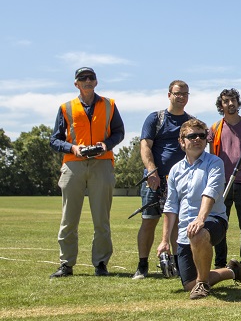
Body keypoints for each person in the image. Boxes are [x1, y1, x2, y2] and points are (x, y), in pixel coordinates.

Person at [157, 119, 241, 300]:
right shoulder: (175, 170)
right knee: (188, 285)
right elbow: (171, 207)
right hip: (186, 231)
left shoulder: (215, 163)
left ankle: (203, 285)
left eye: (202, 136)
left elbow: (211, 192)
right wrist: (164, 241)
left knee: (198, 234)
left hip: (213, 221)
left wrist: (201, 219)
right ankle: (232, 271)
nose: (197, 139)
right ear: (182, 141)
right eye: (192, 136)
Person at [49, 67, 125, 278]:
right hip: (74, 163)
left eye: (91, 77)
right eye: (83, 78)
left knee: (102, 219)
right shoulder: (66, 107)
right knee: (68, 219)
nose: (87, 81)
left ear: (96, 81)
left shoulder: (110, 105)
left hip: (102, 163)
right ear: (76, 83)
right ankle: (66, 264)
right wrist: (73, 148)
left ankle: (101, 263)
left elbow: (119, 132)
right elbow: (54, 139)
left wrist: (105, 145)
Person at [133, 80, 193, 280]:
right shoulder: (155, 118)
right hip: (155, 179)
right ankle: (142, 265)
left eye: (185, 93)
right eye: (177, 93)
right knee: (149, 221)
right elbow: (145, 146)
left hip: (180, 181)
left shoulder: (190, 122)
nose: (181, 97)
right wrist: (152, 171)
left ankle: (177, 264)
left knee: (177, 223)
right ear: (169, 95)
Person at [208, 88, 241, 272]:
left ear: (238, 103)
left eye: (233, 100)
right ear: (221, 105)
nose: (230, 104)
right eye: (226, 101)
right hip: (222, 184)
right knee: (219, 225)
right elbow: (210, 157)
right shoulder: (215, 128)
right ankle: (219, 264)